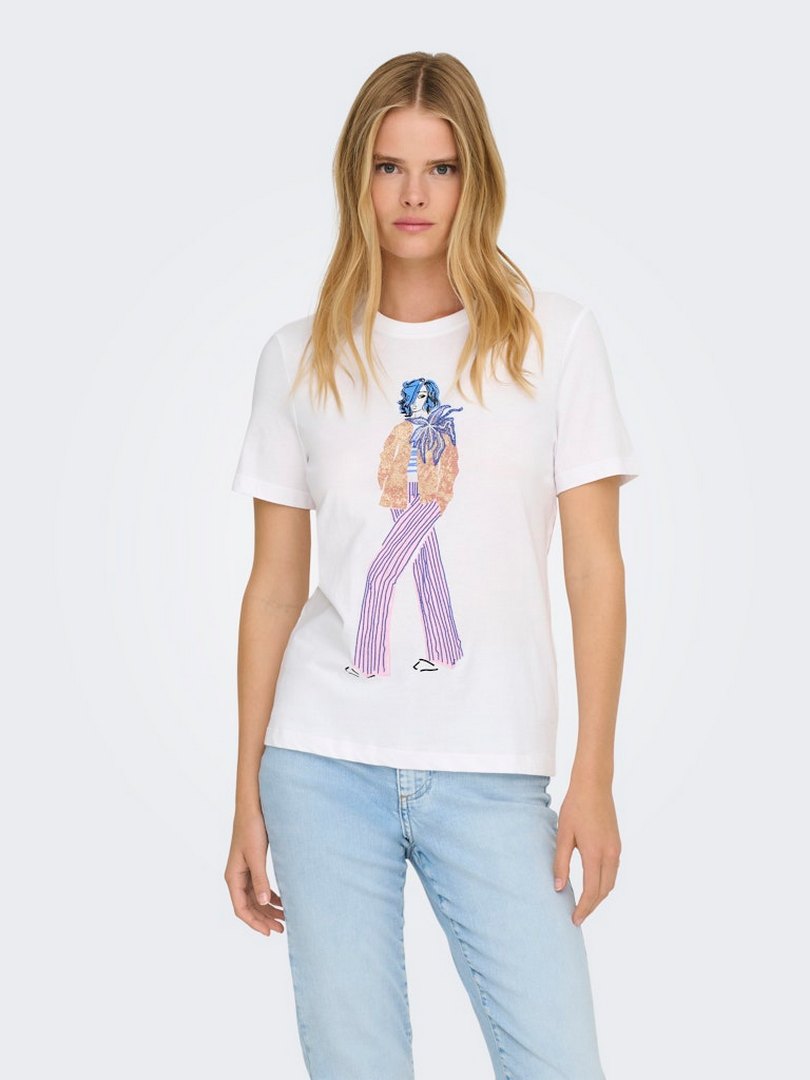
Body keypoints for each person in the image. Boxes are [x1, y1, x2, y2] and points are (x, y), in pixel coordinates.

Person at [225, 51, 640, 1080]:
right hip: (320, 764)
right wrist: (244, 797)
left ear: (474, 179)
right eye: (390, 166)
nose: (414, 195)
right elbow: (273, 589)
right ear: (357, 178)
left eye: (441, 168)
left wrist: (593, 773)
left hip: (494, 772)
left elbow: (594, 569)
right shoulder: (298, 357)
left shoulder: (554, 342)